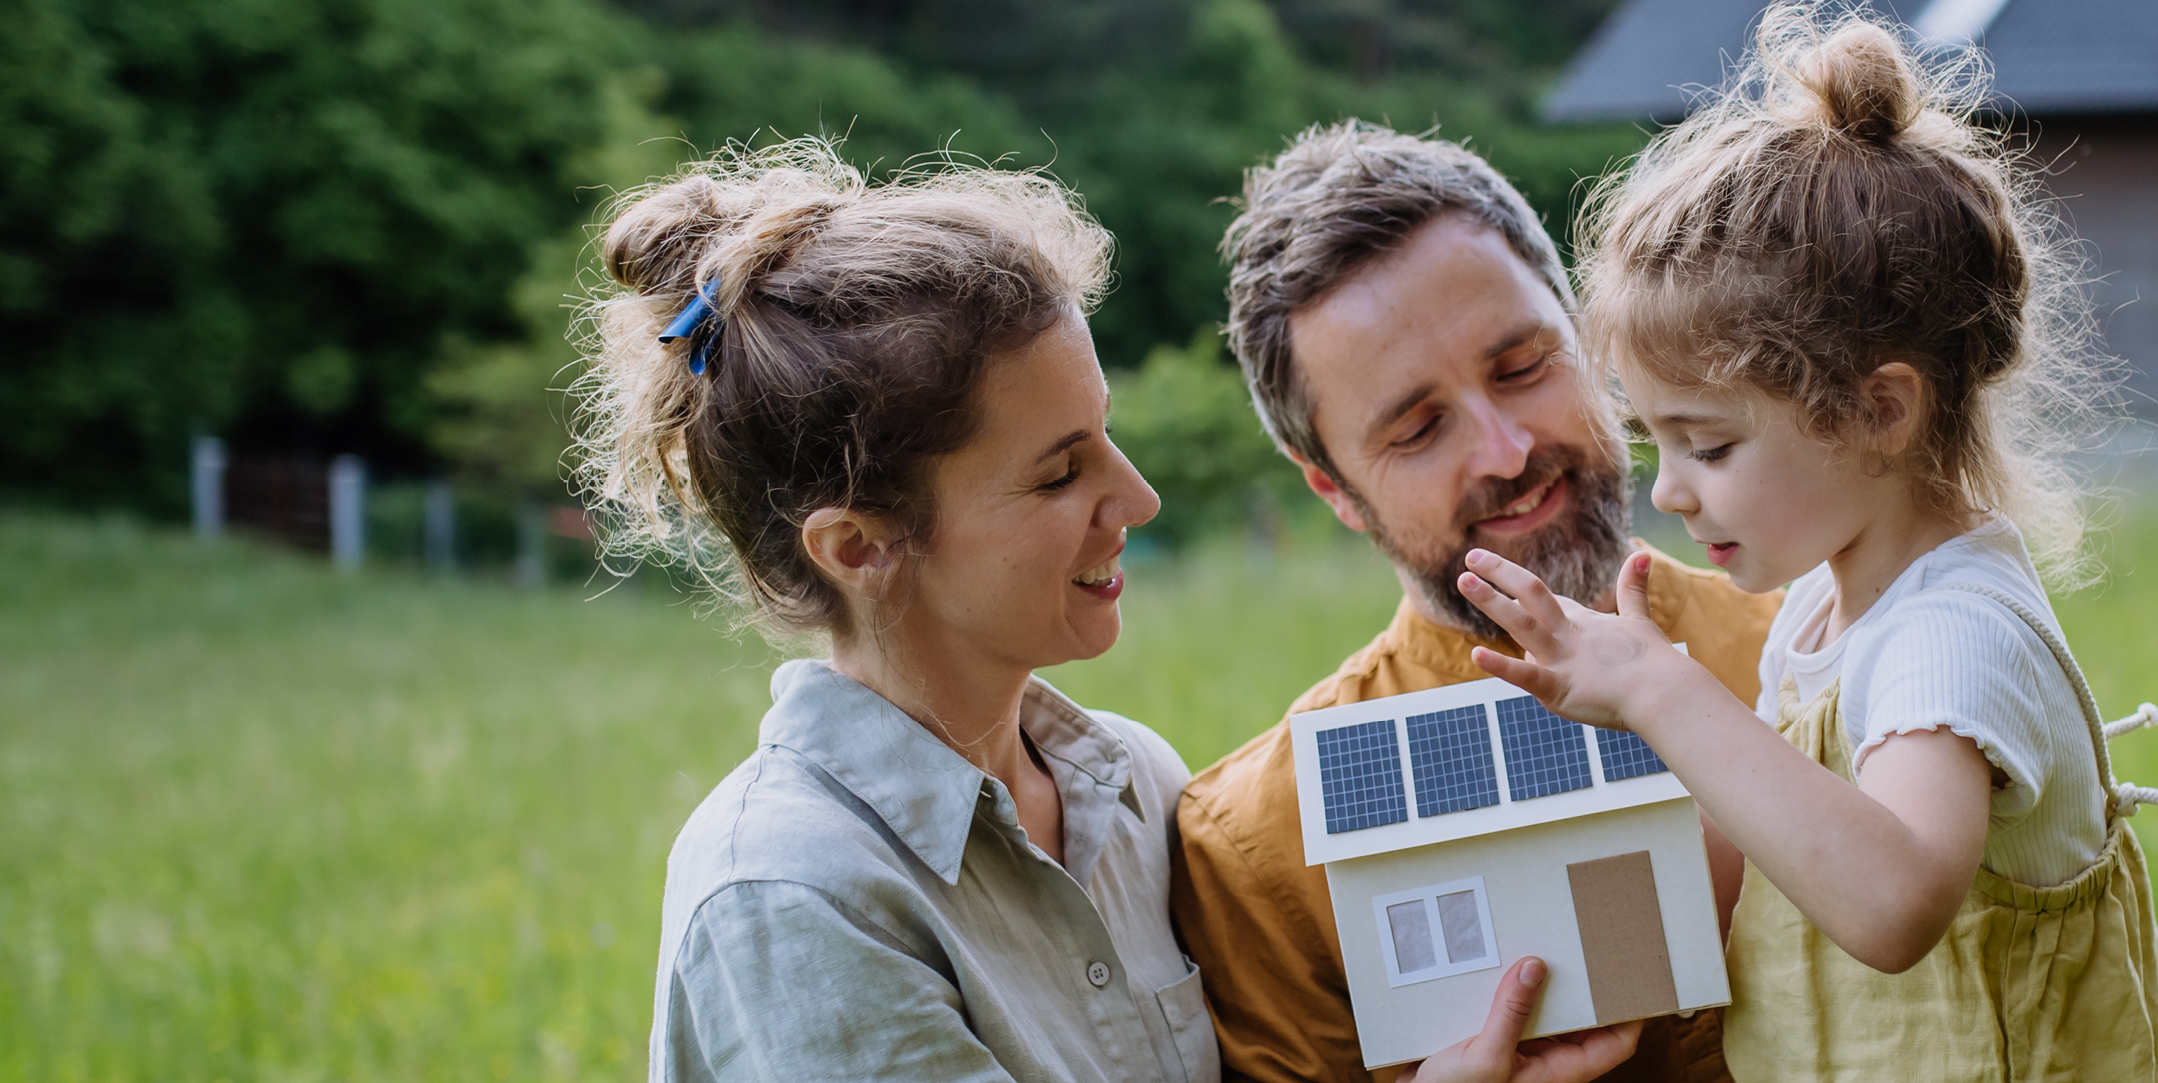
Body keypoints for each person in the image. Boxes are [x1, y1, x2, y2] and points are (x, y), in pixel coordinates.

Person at [580, 142, 1634, 1083]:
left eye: (1105, 436)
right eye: (1056, 475)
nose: (1136, 500)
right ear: (859, 547)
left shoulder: (1135, 786)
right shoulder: (790, 897)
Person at [1448, 9, 2158, 1081]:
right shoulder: (1826, 607)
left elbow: (1892, 903)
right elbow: (1772, 860)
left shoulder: (1947, 642)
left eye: (1708, 445)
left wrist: (1663, 693)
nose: (1667, 490)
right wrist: (1609, 959)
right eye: (1654, 442)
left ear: (1877, 412)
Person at [1172, 123, 1781, 1083]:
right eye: (1417, 428)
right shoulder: (1257, 849)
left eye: (1524, 366)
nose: (1503, 450)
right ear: (1332, 488)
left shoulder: (1827, 642)